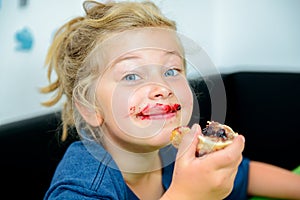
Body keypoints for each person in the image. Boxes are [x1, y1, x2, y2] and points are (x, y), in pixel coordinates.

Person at [41, 1, 300, 199]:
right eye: (131, 76)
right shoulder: (82, 185)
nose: (162, 87)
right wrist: (187, 194)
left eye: (171, 71)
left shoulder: (176, 150)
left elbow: (248, 174)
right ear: (89, 108)